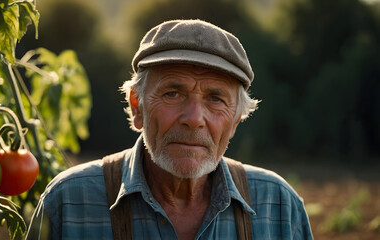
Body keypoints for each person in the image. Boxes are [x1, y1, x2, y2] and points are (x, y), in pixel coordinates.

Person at [26, 19, 313, 240]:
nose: (194, 118)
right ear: (137, 107)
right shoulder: (69, 201)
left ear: (235, 120)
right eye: (173, 94)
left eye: (215, 99)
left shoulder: (278, 207)